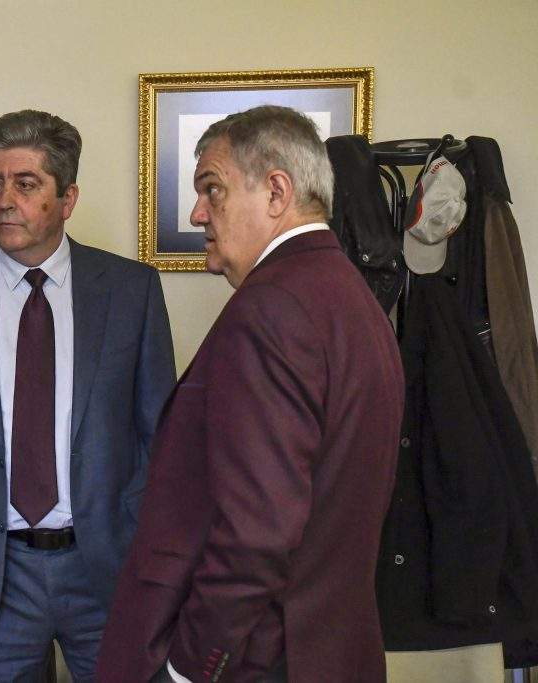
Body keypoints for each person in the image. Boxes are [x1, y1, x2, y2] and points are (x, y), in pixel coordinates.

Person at [96, 105, 404, 683]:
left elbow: (257, 534)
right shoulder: (350, 295)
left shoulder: (270, 310)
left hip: (261, 660)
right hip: (332, 650)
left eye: (212, 189)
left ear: (277, 192)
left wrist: (189, 665)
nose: (197, 212)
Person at [0, 109, 176, 681]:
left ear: (67, 198)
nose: (5, 201)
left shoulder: (131, 291)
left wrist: (158, 566)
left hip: (107, 569)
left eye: (26, 184)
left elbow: (161, 440)